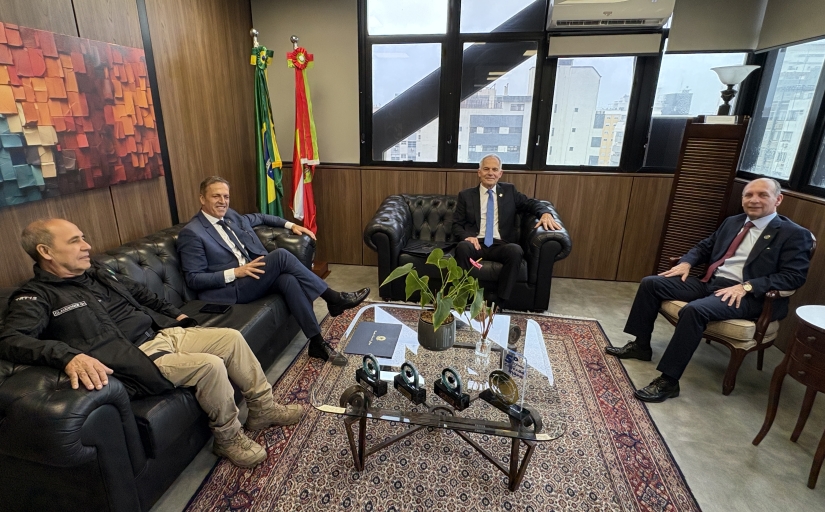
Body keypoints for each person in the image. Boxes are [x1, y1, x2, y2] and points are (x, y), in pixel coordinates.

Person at [0, 219, 303, 468]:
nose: (86, 245)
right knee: (208, 366)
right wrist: (68, 357)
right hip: (136, 357)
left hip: (163, 332)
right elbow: (10, 339)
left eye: (83, 238)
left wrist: (177, 315)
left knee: (231, 338)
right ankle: (228, 438)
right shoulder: (37, 297)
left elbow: (142, 295)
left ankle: (263, 408)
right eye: (75, 241)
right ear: (46, 251)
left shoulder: (96, 274)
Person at [606, 178, 814, 403]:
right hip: (711, 283)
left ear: (778, 199)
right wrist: (686, 262)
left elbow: (793, 276)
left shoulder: (794, 234)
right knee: (651, 283)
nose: (754, 200)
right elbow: (705, 246)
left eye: (762, 195)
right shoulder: (733, 222)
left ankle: (668, 381)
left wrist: (748, 286)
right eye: (748, 195)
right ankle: (641, 346)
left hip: (750, 296)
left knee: (695, 311)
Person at [176, 176, 369, 366]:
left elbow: (260, 217)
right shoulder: (192, 232)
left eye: (226, 196)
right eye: (216, 196)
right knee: (280, 256)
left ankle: (317, 342)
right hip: (229, 289)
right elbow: (194, 279)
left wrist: (291, 225)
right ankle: (333, 298)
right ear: (202, 199)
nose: (222, 201)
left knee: (288, 280)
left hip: (251, 276)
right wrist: (236, 272)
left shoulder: (230, 215)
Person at [452, 154, 562, 304]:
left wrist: (545, 213)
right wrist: (467, 236)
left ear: (500, 173)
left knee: (515, 251)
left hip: (501, 244)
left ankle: (499, 301)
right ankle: (464, 298)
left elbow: (531, 203)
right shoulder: (466, 195)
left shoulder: (509, 191)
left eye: (494, 169)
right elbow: (456, 224)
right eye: (486, 169)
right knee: (462, 247)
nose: (490, 173)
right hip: (476, 244)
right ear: (479, 172)